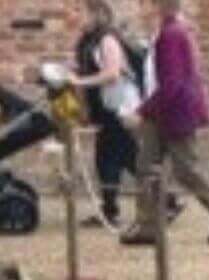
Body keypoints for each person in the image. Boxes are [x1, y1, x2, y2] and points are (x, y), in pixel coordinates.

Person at [118, 0, 209, 246]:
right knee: (147, 166)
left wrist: (142, 112)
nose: (140, 9)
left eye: (144, 4)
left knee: (185, 168)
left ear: (157, 6)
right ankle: (149, 224)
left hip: (173, 111)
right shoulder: (167, 32)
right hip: (164, 110)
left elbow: (172, 83)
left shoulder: (171, 35)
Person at [69, 0, 142, 228]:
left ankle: (165, 200)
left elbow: (112, 74)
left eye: (82, 12)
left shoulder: (108, 39)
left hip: (120, 106)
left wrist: (80, 81)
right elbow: (88, 67)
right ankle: (111, 209)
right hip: (108, 108)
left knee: (123, 157)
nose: (78, 17)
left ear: (97, 14)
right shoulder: (89, 41)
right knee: (113, 157)